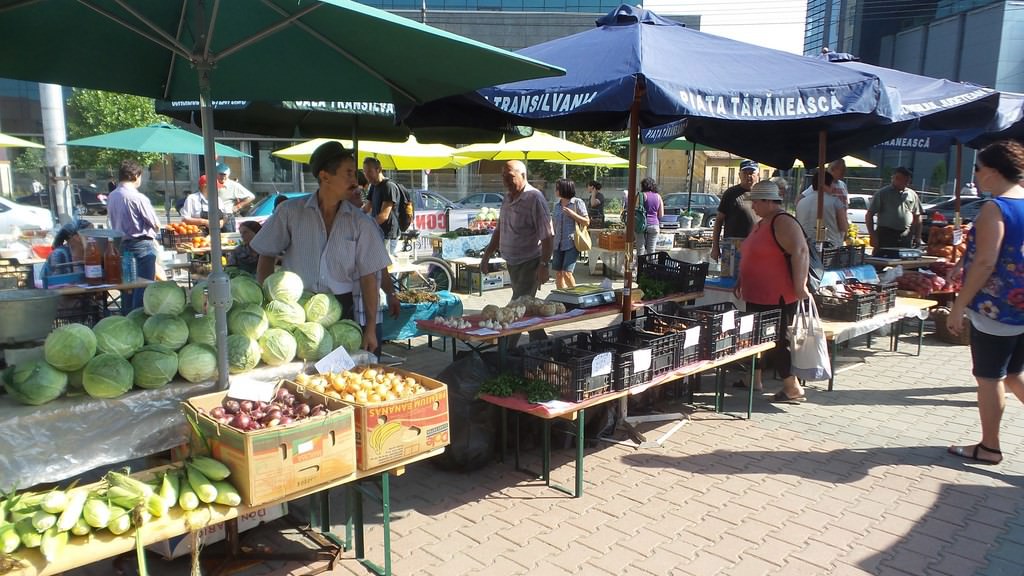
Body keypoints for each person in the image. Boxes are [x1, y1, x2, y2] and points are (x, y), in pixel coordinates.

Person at [250, 141, 392, 354]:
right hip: (296, 310)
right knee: (304, 377)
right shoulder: (290, 212)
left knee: (339, 378)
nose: (355, 181)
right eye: (349, 173)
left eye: (355, 174)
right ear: (325, 177)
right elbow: (266, 254)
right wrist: (266, 305)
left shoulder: (361, 222)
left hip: (343, 310)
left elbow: (369, 276)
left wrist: (370, 328)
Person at [946, 140, 1024, 465]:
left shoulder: (996, 207)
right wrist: (963, 263)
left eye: (977, 170)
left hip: (996, 308)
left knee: (989, 377)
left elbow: (986, 262)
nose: (975, 176)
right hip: (1020, 306)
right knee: (1013, 373)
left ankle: (989, 447)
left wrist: (959, 305)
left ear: (992, 172)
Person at [734, 180, 810, 401]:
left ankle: (792, 387)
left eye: (756, 202)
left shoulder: (782, 221)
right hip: (757, 292)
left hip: (776, 295)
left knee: (776, 341)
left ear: (768, 201)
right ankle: (754, 379)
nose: (753, 206)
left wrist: (800, 285)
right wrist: (742, 277)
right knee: (756, 338)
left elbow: (801, 251)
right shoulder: (763, 222)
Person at [480, 160, 553, 342]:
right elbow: (499, 230)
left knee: (514, 308)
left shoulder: (535, 198)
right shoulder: (507, 198)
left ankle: (505, 351)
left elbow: (548, 235)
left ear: (523, 175)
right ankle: (544, 347)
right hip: (512, 263)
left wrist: (544, 264)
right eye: (503, 177)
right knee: (524, 308)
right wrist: (487, 255)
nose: (505, 181)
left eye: (510, 176)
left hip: (530, 263)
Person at [106, 159, 161, 312]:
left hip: (122, 245)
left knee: (128, 287)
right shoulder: (137, 197)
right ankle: (137, 318)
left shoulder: (112, 196)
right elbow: (155, 224)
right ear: (136, 176)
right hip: (141, 244)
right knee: (143, 286)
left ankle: (127, 316)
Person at [865, 167, 922, 252]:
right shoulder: (882, 193)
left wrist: (917, 237)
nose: (907, 183)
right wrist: (872, 235)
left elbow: (917, 217)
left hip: (905, 235)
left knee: (903, 263)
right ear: (896, 178)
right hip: (885, 234)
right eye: (905, 181)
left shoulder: (912, 194)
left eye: (908, 181)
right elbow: (869, 215)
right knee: (882, 260)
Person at [712, 159, 758, 261]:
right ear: (739, 175)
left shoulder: (762, 194)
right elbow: (719, 220)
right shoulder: (730, 193)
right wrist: (715, 247)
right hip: (733, 245)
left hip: (756, 243)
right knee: (731, 276)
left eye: (751, 173)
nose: (748, 176)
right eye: (745, 173)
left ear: (757, 175)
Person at [551, 178, 589, 289]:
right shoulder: (557, 205)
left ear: (564, 189)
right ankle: (562, 300)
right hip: (558, 243)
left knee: (567, 273)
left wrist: (573, 214)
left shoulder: (577, 202)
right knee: (558, 274)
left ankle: (575, 298)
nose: (555, 190)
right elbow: (553, 223)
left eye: (557, 188)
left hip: (572, 243)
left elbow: (587, 221)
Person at [795, 171, 848, 248]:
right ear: (826, 184)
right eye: (833, 183)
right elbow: (844, 227)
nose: (834, 187)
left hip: (804, 246)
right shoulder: (835, 202)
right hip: (829, 249)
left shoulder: (801, 202)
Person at [363, 157, 401, 259]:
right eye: (365, 172)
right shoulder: (373, 186)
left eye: (369, 171)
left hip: (388, 234)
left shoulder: (388, 186)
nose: (367, 175)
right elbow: (367, 207)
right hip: (378, 232)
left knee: (384, 266)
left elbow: (384, 215)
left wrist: (365, 226)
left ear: (378, 169)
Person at [215, 162, 256, 230]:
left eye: (225, 175)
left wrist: (238, 206)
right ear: (216, 174)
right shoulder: (211, 183)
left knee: (229, 239)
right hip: (213, 216)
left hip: (227, 216)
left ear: (228, 175)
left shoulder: (233, 185)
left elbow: (251, 196)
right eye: (220, 174)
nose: (223, 177)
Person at [635, 177, 664, 257]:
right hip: (654, 225)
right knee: (651, 251)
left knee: (640, 250)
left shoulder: (641, 195)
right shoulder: (658, 196)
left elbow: (636, 211)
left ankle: (640, 268)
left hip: (641, 225)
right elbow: (661, 214)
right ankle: (651, 268)